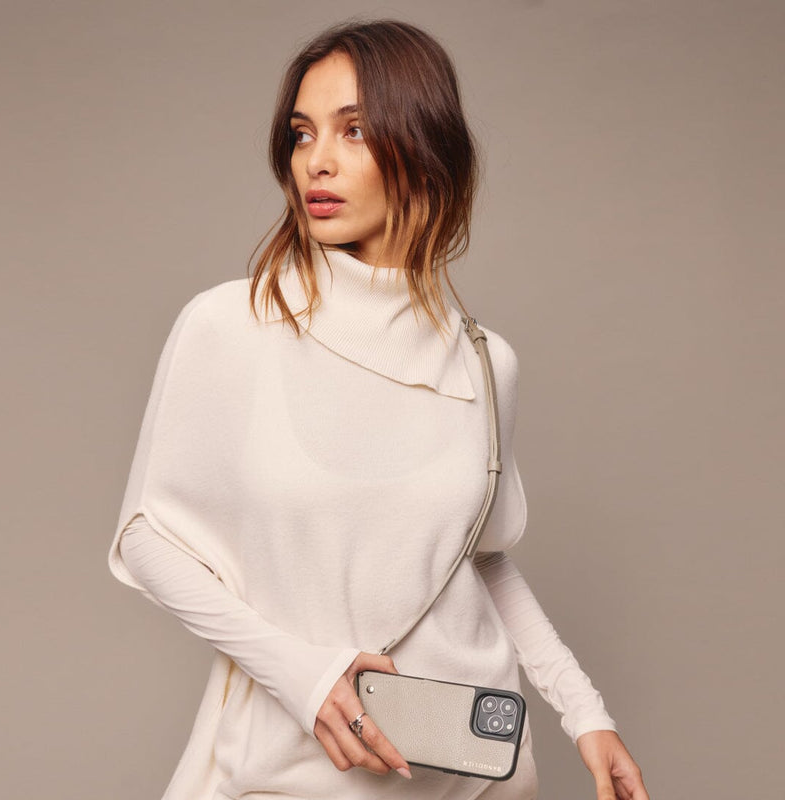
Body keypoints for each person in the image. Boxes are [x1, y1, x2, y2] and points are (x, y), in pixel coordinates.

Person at [107, 19, 650, 800]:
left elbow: (477, 558)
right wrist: (302, 674)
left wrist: (585, 713)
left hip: (473, 776)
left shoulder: (484, 361)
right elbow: (147, 538)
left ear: (422, 148)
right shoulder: (231, 325)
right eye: (302, 133)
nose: (316, 160)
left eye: (354, 130)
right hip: (291, 770)